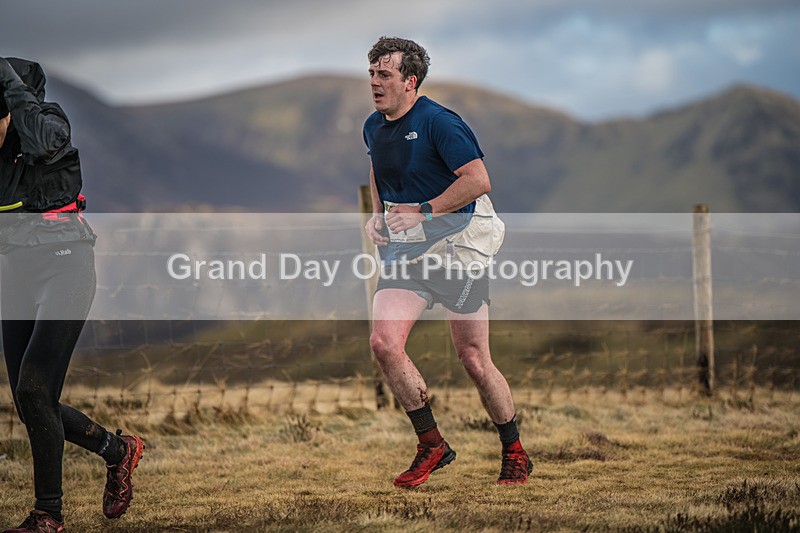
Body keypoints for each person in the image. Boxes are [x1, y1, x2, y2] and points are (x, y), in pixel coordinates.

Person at [363, 37, 532, 487]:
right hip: (411, 247)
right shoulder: (372, 126)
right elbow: (379, 173)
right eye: (372, 74)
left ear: (410, 81)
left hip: (462, 244)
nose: (375, 83)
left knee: (474, 357)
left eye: (385, 75)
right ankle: (432, 444)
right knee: (384, 343)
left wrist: (422, 210)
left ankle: (514, 451)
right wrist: (377, 218)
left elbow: (478, 180)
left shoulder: (440, 122)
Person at [0, 57, 144, 532]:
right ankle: (118, 451)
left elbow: (40, 139)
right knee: (31, 403)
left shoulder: (49, 126)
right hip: (16, 277)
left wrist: (6, 77)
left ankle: (48, 514)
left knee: (33, 388)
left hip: (66, 266)